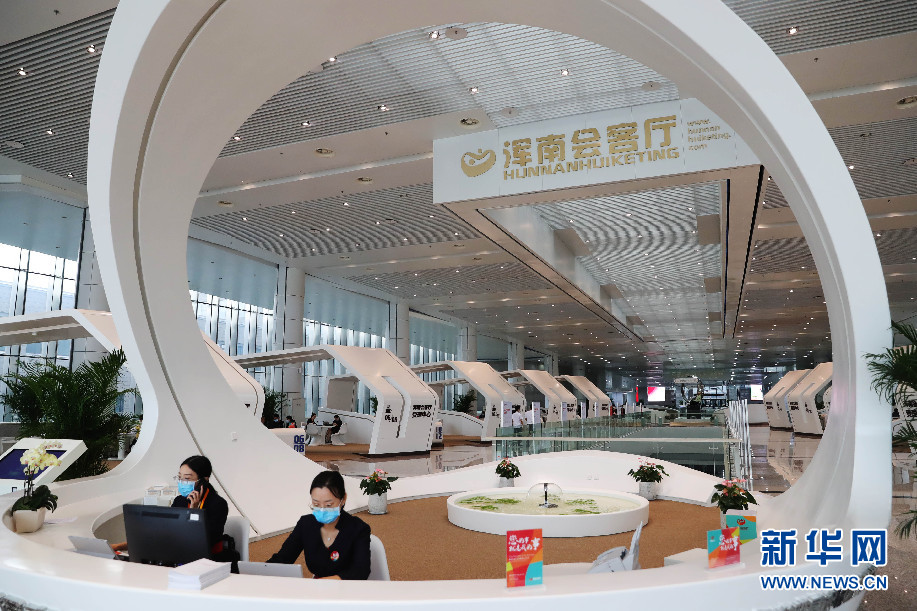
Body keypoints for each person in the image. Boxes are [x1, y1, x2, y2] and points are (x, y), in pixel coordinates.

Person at [268, 471, 371, 580]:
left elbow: (360, 571)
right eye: (316, 504)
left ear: (343, 499)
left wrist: (322, 583)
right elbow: (283, 558)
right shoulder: (306, 524)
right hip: (317, 587)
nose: (322, 510)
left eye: (328, 505)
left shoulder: (358, 528)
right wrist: (261, 572)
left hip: (347, 587)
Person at [172, 455, 237, 563]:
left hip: (208, 559)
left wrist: (194, 512)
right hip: (182, 554)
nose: (181, 482)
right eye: (179, 478)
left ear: (203, 481)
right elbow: (172, 531)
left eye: (187, 479)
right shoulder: (179, 501)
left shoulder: (218, 504)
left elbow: (207, 540)